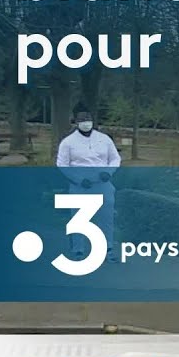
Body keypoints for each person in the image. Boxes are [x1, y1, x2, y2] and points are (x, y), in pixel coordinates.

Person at [55, 109, 121, 261]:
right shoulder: (68, 142)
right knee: (79, 218)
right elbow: (62, 164)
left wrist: (109, 172)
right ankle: (78, 250)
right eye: (82, 120)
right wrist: (77, 179)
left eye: (88, 119)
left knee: (106, 217)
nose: (86, 122)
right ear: (76, 122)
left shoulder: (104, 139)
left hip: (102, 183)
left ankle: (108, 249)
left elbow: (115, 158)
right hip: (81, 185)